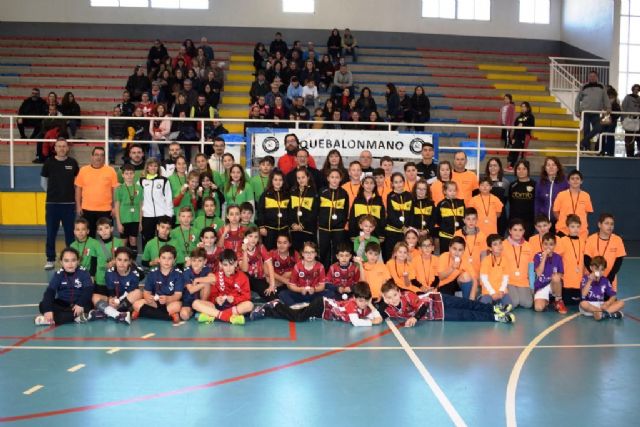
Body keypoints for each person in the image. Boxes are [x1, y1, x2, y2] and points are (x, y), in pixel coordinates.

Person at [379, 280, 515, 325]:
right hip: (438, 314)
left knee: (467, 303)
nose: (393, 299)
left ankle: (494, 309)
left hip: (438, 299)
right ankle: (497, 317)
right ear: (385, 298)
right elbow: (379, 316)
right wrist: (383, 302)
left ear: (398, 291)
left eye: (395, 295)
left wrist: (415, 318)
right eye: (389, 297)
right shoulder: (388, 308)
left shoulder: (407, 295)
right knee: (467, 315)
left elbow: (423, 306)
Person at [252, 281, 383, 326]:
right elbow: (356, 322)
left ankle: (270, 310)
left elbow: (378, 318)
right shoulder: (352, 304)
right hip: (322, 305)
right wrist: (372, 322)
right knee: (298, 317)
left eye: (366, 301)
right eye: (360, 300)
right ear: (354, 298)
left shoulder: (365, 306)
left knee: (297, 313)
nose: (362, 304)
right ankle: (275, 305)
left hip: (322, 310)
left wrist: (370, 305)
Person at [41, 137, 79, 270]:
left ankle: (71, 260)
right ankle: (50, 259)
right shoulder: (49, 162)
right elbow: (43, 182)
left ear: (67, 148)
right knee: (51, 232)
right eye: (59, 146)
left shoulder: (73, 163)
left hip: (69, 204)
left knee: (70, 233)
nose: (62, 148)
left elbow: (77, 183)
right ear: (55, 148)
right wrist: (53, 194)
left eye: (64, 146)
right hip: (52, 204)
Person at [35, 247, 94, 325]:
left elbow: (88, 289)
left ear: (78, 261)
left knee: (86, 307)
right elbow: (50, 292)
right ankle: (75, 318)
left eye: (73, 260)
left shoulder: (83, 272)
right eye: (66, 261)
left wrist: (80, 303)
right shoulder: (59, 274)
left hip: (79, 304)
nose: (70, 264)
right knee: (43, 305)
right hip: (63, 304)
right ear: (61, 262)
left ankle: (50, 320)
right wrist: (48, 310)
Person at [74, 147, 118, 237]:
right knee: (89, 238)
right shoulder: (83, 170)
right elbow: (78, 189)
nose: (99, 157)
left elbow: (115, 191)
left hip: (106, 210)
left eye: (102, 155)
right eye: (96, 155)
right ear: (92, 156)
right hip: (87, 210)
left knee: (107, 237)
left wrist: (114, 207)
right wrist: (78, 206)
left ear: (104, 157)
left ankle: (108, 252)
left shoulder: (111, 171)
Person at [90, 247, 140, 324]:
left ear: (130, 262)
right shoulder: (109, 273)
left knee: (138, 292)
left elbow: (128, 293)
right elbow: (111, 292)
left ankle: (107, 312)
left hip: (126, 301)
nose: (122, 263)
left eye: (125, 260)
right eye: (119, 260)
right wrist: (111, 300)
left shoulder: (135, 275)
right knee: (94, 296)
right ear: (115, 260)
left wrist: (118, 302)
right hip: (114, 300)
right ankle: (118, 315)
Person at [133, 245, 182, 323]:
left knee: (177, 306)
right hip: (155, 303)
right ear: (159, 259)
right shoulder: (153, 273)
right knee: (136, 304)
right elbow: (146, 292)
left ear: (174, 260)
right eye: (163, 258)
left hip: (169, 303)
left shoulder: (178, 274)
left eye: (170, 258)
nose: (166, 261)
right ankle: (168, 316)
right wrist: (148, 297)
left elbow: (178, 295)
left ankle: (144, 313)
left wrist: (168, 299)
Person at [279, 242, 332, 306]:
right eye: (306, 252)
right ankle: (298, 306)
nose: (309, 255)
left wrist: (314, 289)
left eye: (312, 252)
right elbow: (292, 286)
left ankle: (309, 305)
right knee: (283, 294)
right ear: (303, 254)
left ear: (315, 254)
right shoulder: (297, 266)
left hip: (314, 294)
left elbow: (322, 286)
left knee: (330, 293)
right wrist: (300, 289)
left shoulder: (320, 266)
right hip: (300, 294)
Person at [584, 213, 626, 291]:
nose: (610, 226)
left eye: (612, 224)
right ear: (599, 225)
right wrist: (595, 274)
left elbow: (619, 260)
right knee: (591, 300)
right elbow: (586, 258)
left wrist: (610, 277)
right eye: (606, 223)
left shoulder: (617, 240)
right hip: (593, 277)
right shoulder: (591, 239)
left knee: (610, 301)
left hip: (610, 277)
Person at [318, 169, 349, 269]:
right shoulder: (322, 191)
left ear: (340, 179)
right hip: (324, 228)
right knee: (323, 252)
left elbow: (345, 210)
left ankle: (337, 272)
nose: (334, 180)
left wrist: (342, 223)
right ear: (328, 178)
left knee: (338, 252)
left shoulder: (344, 193)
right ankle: (323, 272)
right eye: (332, 177)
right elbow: (317, 208)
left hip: (338, 229)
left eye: (337, 177)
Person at [574, 70, 611, 150]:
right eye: (590, 76)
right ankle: (586, 148)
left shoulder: (601, 86)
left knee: (598, 128)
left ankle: (583, 142)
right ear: (588, 77)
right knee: (586, 130)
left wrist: (608, 107)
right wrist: (577, 111)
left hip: (596, 113)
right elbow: (577, 99)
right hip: (585, 113)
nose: (592, 78)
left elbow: (606, 98)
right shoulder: (584, 86)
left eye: (593, 76)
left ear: (597, 77)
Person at [140, 158, 173, 245]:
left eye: (155, 166)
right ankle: (147, 258)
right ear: (147, 168)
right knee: (147, 240)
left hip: (161, 215)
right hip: (147, 215)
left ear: (158, 168)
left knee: (163, 240)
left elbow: (168, 198)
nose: (153, 168)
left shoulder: (164, 180)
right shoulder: (141, 181)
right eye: (151, 166)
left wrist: (168, 215)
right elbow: (139, 199)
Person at [579, 256, 624, 320]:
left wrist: (608, 303)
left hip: (601, 305)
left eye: (602, 270)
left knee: (621, 302)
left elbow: (613, 296)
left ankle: (602, 314)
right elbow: (583, 295)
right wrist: (589, 281)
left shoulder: (605, 280)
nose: (599, 272)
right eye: (597, 269)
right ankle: (608, 314)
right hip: (589, 306)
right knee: (583, 304)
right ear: (591, 268)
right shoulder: (585, 279)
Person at [553, 169, 593, 239]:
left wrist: (576, 225)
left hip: (581, 232)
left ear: (581, 181)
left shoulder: (586, 196)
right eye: (572, 178)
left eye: (577, 178)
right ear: (568, 181)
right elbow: (555, 211)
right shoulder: (561, 195)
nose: (575, 181)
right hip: (563, 230)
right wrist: (564, 221)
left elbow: (586, 212)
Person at [556, 215, 586, 306]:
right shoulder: (563, 240)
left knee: (578, 303)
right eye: (572, 226)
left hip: (579, 280)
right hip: (567, 280)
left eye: (577, 226)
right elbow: (557, 258)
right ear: (567, 227)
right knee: (568, 303)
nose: (575, 229)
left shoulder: (583, 241)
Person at [533, 233, 566, 313]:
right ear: (542, 245)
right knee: (538, 308)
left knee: (556, 277)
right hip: (541, 286)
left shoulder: (558, 257)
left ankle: (558, 300)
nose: (548, 247)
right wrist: (544, 258)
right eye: (546, 244)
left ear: (554, 245)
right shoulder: (538, 256)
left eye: (551, 244)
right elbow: (538, 273)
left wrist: (554, 277)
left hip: (553, 284)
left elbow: (561, 274)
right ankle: (547, 301)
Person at [478, 234, 513, 308]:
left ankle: (497, 304)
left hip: (501, 292)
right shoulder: (486, 260)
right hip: (488, 292)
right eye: (495, 244)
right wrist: (492, 293)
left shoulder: (505, 260)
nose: (499, 246)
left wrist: (501, 291)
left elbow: (506, 278)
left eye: (500, 243)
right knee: (484, 307)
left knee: (510, 306)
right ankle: (482, 299)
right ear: (490, 248)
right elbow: (484, 279)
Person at [384, 173, 413, 261]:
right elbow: (391, 214)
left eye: (400, 182)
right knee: (390, 256)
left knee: (403, 256)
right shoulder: (390, 196)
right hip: (392, 232)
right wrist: (402, 227)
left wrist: (407, 227)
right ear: (392, 184)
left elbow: (411, 213)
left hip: (405, 232)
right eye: (396, 182)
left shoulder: (409, 195)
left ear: (404, 182)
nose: (399, 184)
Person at [289, 168, 319, 253]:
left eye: (303, 177)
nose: (301, 180)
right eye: (298, 178)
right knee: (295, 254)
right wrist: (293, 224)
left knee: (308, 253)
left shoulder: (313, 192)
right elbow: (289, 211)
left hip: (308, 229)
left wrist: (303, 225)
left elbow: (314, 212)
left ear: (308, 177)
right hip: (294, 229)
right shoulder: (293, 191)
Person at [179, 247, 213, 321]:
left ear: (205, 261)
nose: (196, 263)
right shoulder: (187, 271)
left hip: (201, 300)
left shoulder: (206, 269)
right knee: (184, 315)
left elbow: (214, 279)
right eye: (194, 260)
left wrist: (198, 280)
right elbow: (191, 290)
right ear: (190, 261)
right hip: (188, 301)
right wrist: (202, 284)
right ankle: (192, 312)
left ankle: (201, 309)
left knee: (206, 283)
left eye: (200, 261)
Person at [534, 156, 569, 228]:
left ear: (558, 167)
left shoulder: (565, 182)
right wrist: (538, 217)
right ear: (545, 168)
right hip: (544, 223)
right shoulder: (540, 183)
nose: (551, 167)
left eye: (553, 165)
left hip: (560, 221)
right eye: (548, 165)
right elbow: (537, 201)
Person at [453, 207, 487, 279]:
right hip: (462, 271)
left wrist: (483, 272)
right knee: (466, 278)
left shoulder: (482, 235)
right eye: (468, 219)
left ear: (477, 220)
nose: (471, 222)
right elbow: (454, 254)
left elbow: (483, 256)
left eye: (473, 219)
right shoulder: (458, 234)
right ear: (464, 220)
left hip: (477, 271)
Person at [434, 181, 465, 252]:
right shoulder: (441, 204)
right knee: (445, 256)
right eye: (450, 190)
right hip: (445, 236)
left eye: (454, 190)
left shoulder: (461, 203)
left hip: (459, 236)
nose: (453, 192)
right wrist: (444, 227)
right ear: (445, 191)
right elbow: (437, 219)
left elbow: (464, 218)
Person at [508, 159, 536, 237]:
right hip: (514, 220)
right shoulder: (512, 185)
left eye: (524, 168)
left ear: (528, 170)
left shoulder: (534, 185)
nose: (521, 171)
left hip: (529, 221)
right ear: (515, 170)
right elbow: (511, 202)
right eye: (519, 169)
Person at [507, 101, 535, 170]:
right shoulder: (519, 117)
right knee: (514, 149)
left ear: (528, 108)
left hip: (525, 136)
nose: (522, 108)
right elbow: (515, 128)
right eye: (521, 106)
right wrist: (513, 138)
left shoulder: (531, 116)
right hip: (517, 136)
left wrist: (523, 125)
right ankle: (512, 165)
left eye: (524, 106)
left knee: (523, 152)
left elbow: (532, 126)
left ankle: (523, 167)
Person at [621, 83, 640, 157]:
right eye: (635, 89)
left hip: (637, 120)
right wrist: (623, 119)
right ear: (632, 89)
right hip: (629, 119)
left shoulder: (639, 98)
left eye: (638, 89)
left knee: (638, 137)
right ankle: (629, 154)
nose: (636, 90)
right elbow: (623, 108)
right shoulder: (628, 97)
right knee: (629, 138)